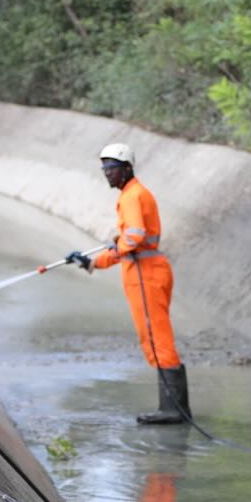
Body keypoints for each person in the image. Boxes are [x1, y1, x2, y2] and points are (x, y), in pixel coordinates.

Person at [65, 143, 191, 425]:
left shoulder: (133, 196)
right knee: (154, 336)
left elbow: (133, 239)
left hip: (147, 276)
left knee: (156, 338)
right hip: (144, 271)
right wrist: (93, 262)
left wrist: (115, 246)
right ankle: (173, 408)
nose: (107, 174)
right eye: (104, 169)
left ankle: (173, 410)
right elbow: (128, 245)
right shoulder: (133, 194)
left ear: (127, 169)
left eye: (112, 169)